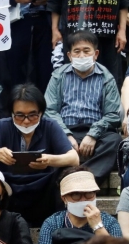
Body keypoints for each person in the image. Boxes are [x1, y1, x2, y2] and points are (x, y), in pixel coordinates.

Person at [0, 83, 78, 226]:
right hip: (10, 188)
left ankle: (60, 224)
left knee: (68, 172)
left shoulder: (50, 125)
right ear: (12, 113)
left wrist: (49, 160)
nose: (26, 121)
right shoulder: (3, 126)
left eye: (32, 115)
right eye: (20, 115)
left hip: (44, 188)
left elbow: (74, 158)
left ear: (41, 113)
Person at [45, 30, 122, 181]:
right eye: (77, 51)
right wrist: (66, 135)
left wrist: (93, 134)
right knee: (46, 139)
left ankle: (82, 179)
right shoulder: (58, 76)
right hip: (65, 130)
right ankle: (76, 177)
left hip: (95, 132)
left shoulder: (106, 77)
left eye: (86, 51)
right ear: (69, 55)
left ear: (96, 54)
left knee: (115, 140)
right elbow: (49, 110)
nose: (81, 56)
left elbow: (113, 115)